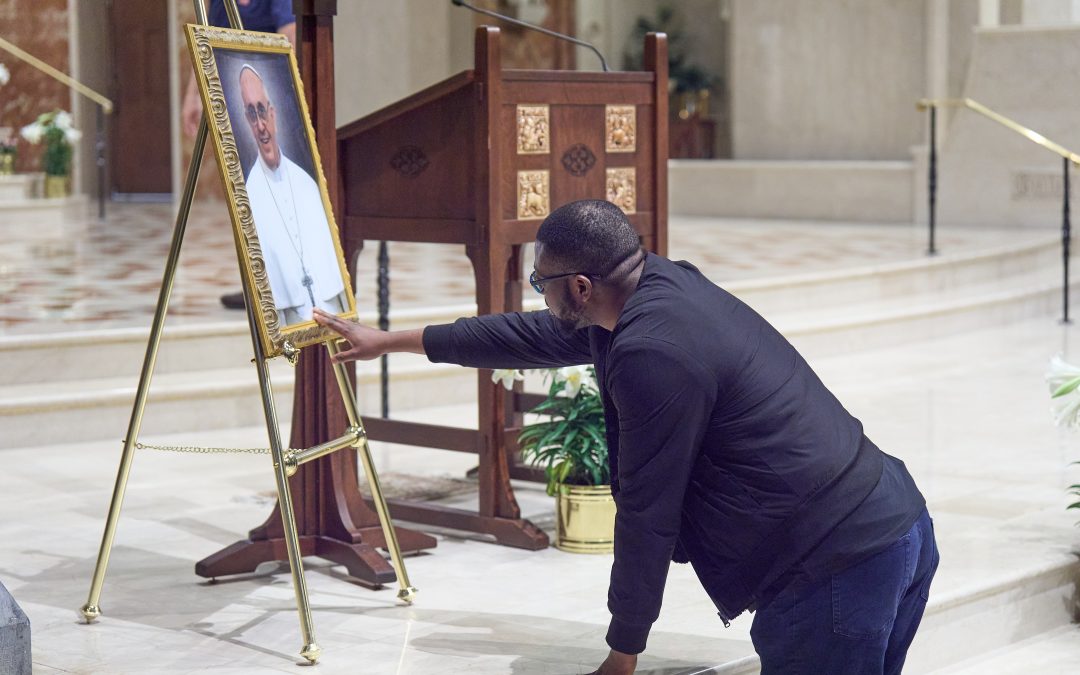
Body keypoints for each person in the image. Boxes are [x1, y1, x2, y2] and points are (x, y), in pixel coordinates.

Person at [312, 199, 939, 675]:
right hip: (894, 523)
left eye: (542, 283)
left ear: (580, 287)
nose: (539, 294)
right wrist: (391, 341)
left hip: (837, 566)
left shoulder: (651, 354)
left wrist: (623, 650)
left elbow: (647, 511)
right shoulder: (657, 285)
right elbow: (530, 337)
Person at [181, 0, 297, 310]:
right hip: (234, 103)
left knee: (276, 196)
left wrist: (279, 95)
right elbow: (207, 38)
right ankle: (257, 284)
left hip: (269, 104)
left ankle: (284, 284)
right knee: (246, 195)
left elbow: (290, 37)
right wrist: (193, 95)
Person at [237, 64, 347, 326]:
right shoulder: (248, 194)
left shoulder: (306, 183)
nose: (261, 125)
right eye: (252, 115)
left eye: (262, 111)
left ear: (273, 113)